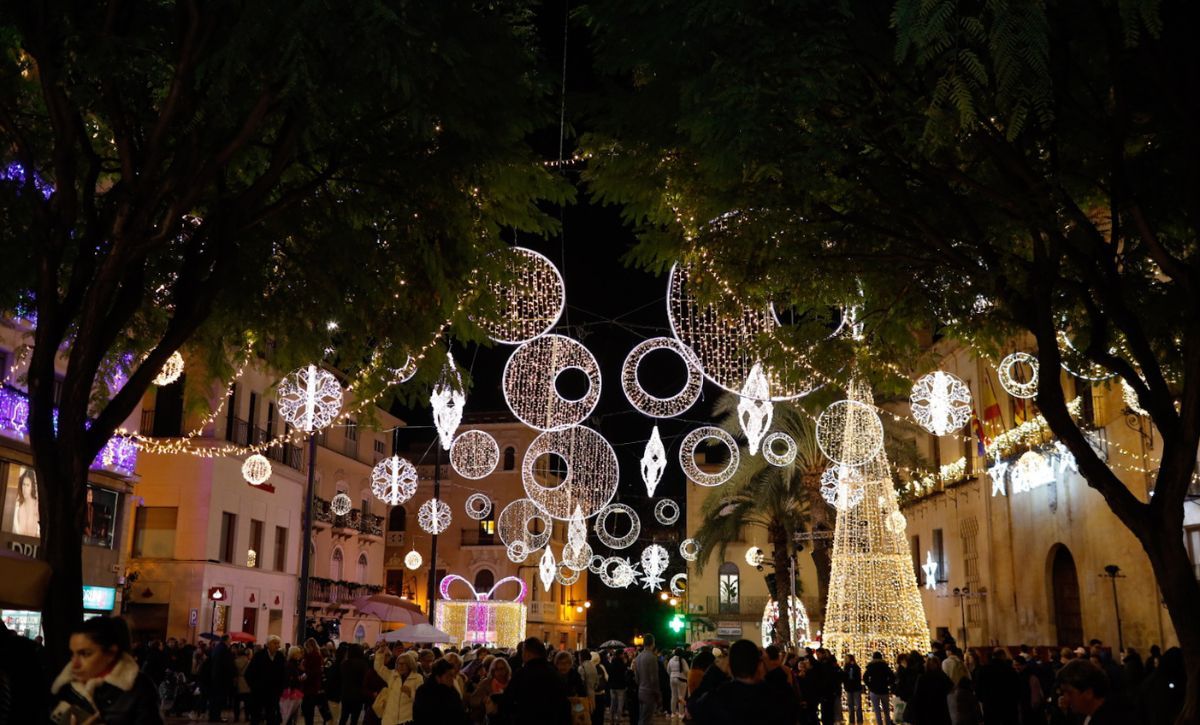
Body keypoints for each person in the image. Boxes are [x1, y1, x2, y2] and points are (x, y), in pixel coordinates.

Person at [49, 616, 163, 725]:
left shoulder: (138, 689)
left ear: (110, 653)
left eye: (85, 654)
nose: (74, 664)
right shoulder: (64, 687)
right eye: (73, 654)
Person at [692, 639, 793, 724]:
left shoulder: (717, 698)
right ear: (759, 666)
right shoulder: (775, 697)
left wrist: (715, 671)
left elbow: (693, 706)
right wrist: (771, 667)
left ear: (729, 668)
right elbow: (789, 698)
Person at [500, 637, 570, 724]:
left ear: (527, 653)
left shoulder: (522, 674)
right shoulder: (554, 674)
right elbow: (564, 704)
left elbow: (507, 700)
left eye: (523, 651)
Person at [1056, 658, 1134, 723]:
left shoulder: (1114, 718)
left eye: (1069, 693)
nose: (1065, 698)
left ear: (1088, 693)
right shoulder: (1086, 713)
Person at [373, 646, 421, 725]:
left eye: (404, 664)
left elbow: (421, 699)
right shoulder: (392, 675)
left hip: (406, 720)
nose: (401, 666)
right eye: (399, 663)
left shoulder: (417, 678)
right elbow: (379, 667)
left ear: (410, 664)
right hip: (389, 720)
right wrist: (381, 652)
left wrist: (411, 693)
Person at [413, 658, 468, 725]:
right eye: (449, 676)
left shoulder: (452, 691)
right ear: (438, 677)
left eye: (453, 676)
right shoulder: (424, 692)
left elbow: (460, 714)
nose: (452, 679)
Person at [247, 635, 287, 725]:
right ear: (268, 644)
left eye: (278, 644)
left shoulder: (280, 657)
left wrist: (280, 689)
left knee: (272, 716)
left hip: (273, 693)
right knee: (256, 717)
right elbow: (249, 673)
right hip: (259, 692)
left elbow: (283, 675)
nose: (277, 646)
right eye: (275, 643)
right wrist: (254, 687)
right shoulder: (259, 656)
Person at [974, 649, 1020, 725]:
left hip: (990, 706)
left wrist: (984, 700)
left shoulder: (983, 670)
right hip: (1008, 706)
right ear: (1003, 656)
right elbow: (1017, 688)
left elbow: (978, 689)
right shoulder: (1010, 670)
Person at [909, 656, 953, 725]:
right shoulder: (942, 676)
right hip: (941, 708)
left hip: (926, 709)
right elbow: (950, 687)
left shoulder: (923, 678)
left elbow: (917, 695)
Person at [467, 655, 510, 724]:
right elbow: (473, 700)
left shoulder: (511, 683)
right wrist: (483, 699)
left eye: (501, 669)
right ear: (492, 671)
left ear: (506, 669)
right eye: (496, 669)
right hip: (490, 719)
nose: (499, 672)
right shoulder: (486, 683)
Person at [300, 638, 334, 724]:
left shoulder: (315, 656)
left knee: (309, 711)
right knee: (308, 711)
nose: (306, 649)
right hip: (311, 687)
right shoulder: (311, 656)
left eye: (307, 647)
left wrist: (305, 671)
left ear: (311, 646)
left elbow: (315, 672)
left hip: (312, 688)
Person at [338, 644, 369, 725]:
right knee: (354, 720)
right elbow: (365, 680)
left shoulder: (344, 664)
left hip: (346, 694)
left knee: (343, 717)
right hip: (358, 695)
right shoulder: (364, 664)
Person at [632, 635, 659, 725]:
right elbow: (653, 678)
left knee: (642, 718)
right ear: (652, 643)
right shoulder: (652, 657)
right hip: (649, 693)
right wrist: (658, 694)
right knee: (646, 719)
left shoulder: (638, 657)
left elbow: (636, 677)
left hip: (641, 691)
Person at [863, 651, 895, 725]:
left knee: (877, 710)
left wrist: (870, 685)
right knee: (886, 710)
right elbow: (892, 677)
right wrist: (887, 683)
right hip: (884, 690)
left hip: (874, 691)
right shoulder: (885, 666)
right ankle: (888, 723)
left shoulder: (870, 666)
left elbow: (865, 677)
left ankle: (879, 723)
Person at [12, 466, 39, 537]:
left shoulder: (37, 505)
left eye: (27, 485)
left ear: (32, 487)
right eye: (23, 484)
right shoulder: (19, 507)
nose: (25, 488)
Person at [666, 648, 689, 719]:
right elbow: (686, 671)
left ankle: (673, 712)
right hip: (681, 679)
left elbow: (668, 670)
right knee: (681, 697)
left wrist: (672, 675)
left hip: (672, 678)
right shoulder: (682, 660)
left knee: (673, 696)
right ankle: (681, 713)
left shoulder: (671, 660)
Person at [607, 650, 628, 724]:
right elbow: (625, 675)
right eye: (622, 654)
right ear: (620, 655)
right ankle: (618, 719)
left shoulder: (612, 663)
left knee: (612, 703)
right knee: (620, 703)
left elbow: (610, 675)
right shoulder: (622, 664)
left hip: (612, 686)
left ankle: (611, 719)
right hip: (620, 687)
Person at [233, 644, 253, 721]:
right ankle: (247, 717)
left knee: (236, 703)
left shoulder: (235, 661)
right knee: (247, 703)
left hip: (237, 683)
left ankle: (236, 717)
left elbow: (233, 672)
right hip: (246, 684)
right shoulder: (249, 662)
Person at [842, 653, 863, 725]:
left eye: (846, 658)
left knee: (857, 706)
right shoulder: (846, 667)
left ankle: (858, 721)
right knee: (851, 706)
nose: (845, 659)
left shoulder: (855, 667)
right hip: (850, 688)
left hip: (855, 688)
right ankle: (852, 721)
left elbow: (857, 677)